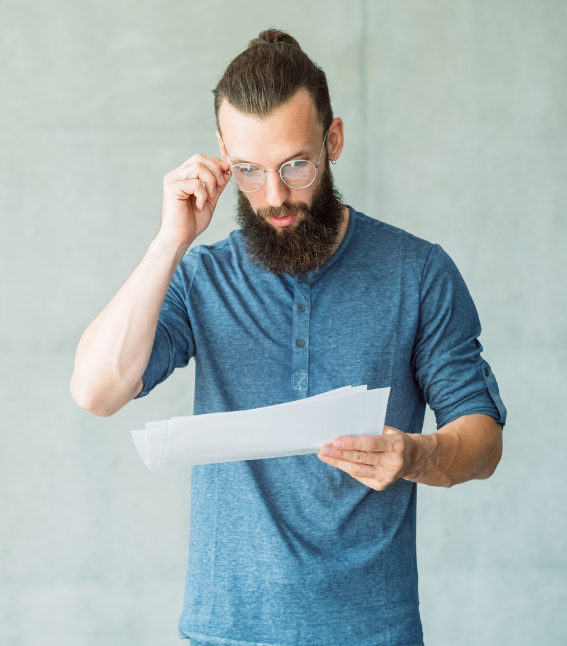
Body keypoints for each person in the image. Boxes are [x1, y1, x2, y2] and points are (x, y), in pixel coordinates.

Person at [70, 28, 507, 646]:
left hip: (375, 634)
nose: (274, 196)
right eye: (248, 170)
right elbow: (96, 390)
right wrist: (169, 241)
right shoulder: (200, 278)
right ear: (223, 154)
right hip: (225, 634)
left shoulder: (418, 273)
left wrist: (417, 454)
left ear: (333, 140)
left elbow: (483, 442)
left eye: (295, 165)